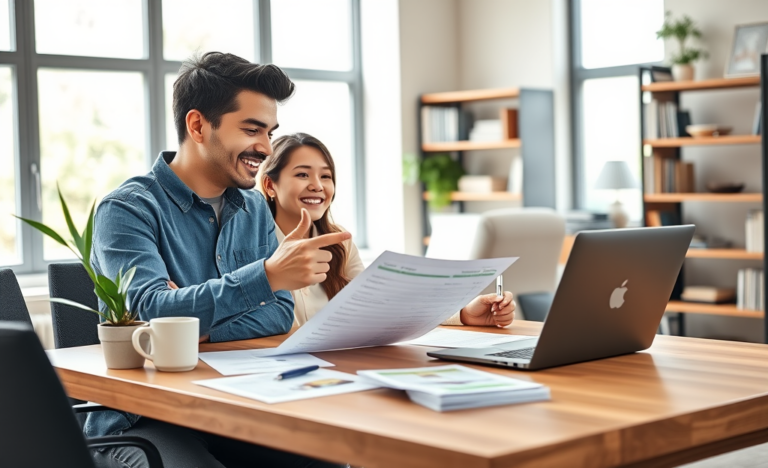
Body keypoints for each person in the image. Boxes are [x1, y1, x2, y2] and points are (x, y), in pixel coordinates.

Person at [88, 52, 348, 468]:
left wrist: (189, 325)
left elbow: (279, 314)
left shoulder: (253, 208)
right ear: (197, 126)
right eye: (251, 129)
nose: (265, 147)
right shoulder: (127, 209)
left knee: (323, 458)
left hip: (230, 399)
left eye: (269, 131)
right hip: (143, 416)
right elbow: (149, 317)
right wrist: (264, 278)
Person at [257, 133, 515, 328]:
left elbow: (381, 305)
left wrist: (464, 313)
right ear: (270, 185)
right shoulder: (247, 242)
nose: (317, 186)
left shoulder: (339, 242)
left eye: (325, 176)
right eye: (302, 175)